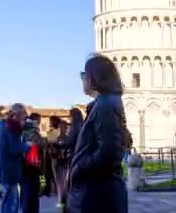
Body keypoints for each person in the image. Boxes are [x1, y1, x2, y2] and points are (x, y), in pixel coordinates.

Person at [67, 54, 128, 213]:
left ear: (92, 78)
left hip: (97, 194)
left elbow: (109, 152)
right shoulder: (105, 103)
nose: (82, 79)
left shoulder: (105, 105)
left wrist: (80, 167)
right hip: (99, 191)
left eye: (83, 75)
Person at [0, 103, 31, 213]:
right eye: (23, 116)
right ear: (18, 115)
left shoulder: (0, 124)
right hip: (9, 169)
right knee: (12, 201)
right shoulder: (12, 126)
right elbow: (15, 148)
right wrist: (28, 145)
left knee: (7, 199)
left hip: (0, 167)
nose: (24, 119)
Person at [21, 113, 45, 213]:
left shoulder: (27, 132)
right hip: (31, 168)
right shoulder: (31, 133)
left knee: (31, 196)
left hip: (30, 168)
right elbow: (34, 147)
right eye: (38, 120)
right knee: (30, 197)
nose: (39, 123)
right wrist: (43, 143)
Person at [52, 121, 73, 211]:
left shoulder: (64, 139)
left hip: (64, 165)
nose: (61, 129)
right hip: (61, 165)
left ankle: (62, 208)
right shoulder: (59, 138)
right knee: (62, 189)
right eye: (60, 127)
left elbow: (61, 153)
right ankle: (62, 208)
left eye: (63, 127)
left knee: (62, 189)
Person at [42, 115, 61, 197]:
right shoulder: (55, 131)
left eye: (51, 121)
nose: (50, 123)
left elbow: (51, 143)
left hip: (53, 155)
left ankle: (50, 190)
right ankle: (50, 190)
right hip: (51, 154)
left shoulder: (54, 131)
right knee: (48, 174)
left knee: (50, 173)